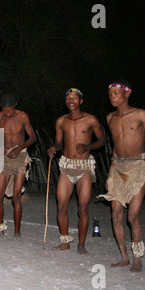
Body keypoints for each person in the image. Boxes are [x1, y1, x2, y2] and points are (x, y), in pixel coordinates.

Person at [98, 80, 145, 272]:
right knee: (116, 215)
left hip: (138, 165)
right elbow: (116, 148)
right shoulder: (110, 118)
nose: (112, 97)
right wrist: (110, 174)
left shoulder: (140, 114)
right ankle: (124, 257)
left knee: (132, 216)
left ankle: (137, 257)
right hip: (119, 168)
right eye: (110, 94)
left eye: (116, 93)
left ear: (127, 94)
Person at [47, 88, 105, 254]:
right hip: (67, 166)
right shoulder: (61, 121)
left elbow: (102, 140)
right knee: (61, 207)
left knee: (83, 207)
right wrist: (54, 148)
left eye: (75, 98)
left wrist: (89, 147)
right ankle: (65, 241)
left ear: (81, 101)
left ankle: (81, 244)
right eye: (68, 98)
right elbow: (59, 142)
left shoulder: (91, 120)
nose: (71, 100)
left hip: (84, 167)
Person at [0, 93, 36, 237]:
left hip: (20, 155)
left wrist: (18, 148)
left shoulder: (23, 116)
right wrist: (1, 148)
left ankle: (17, 231)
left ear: (16, 105)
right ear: (1, 108)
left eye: (11, 111)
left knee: (16, 196)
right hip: (5, 157)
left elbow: (33, 137)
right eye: (6, 112)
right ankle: (0, 228)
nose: (8, 114)